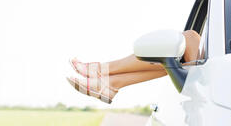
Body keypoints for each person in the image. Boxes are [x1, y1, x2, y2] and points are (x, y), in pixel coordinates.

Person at [67, 30, 201, 103]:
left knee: (190, 38)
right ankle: (110, 82)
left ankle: (105, 75)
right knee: (179, 55)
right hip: (206, 87)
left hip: (210, 88)